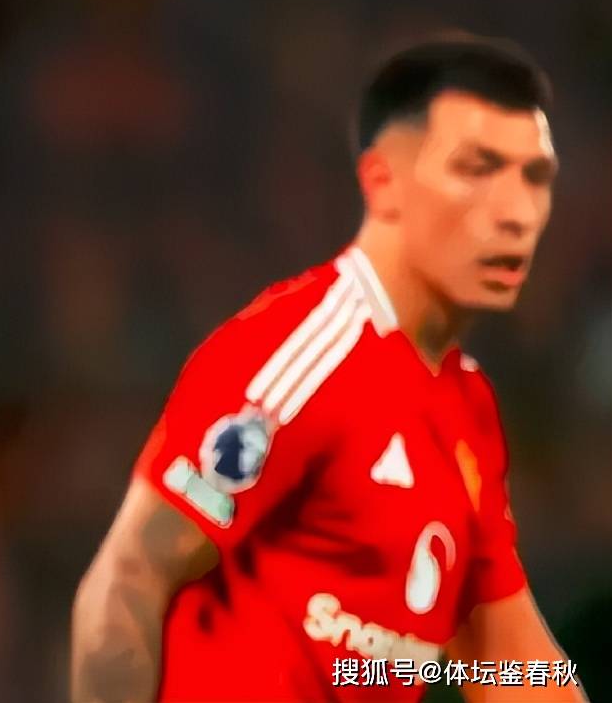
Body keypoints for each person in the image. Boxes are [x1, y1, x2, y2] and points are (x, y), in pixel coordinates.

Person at [71, 36, 587, 702]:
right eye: (478, 169)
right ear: (383, 183)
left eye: (535, 178)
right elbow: (128, 581)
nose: (515, 212)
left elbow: (511, 666)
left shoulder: (470, 410)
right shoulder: (306, 351)